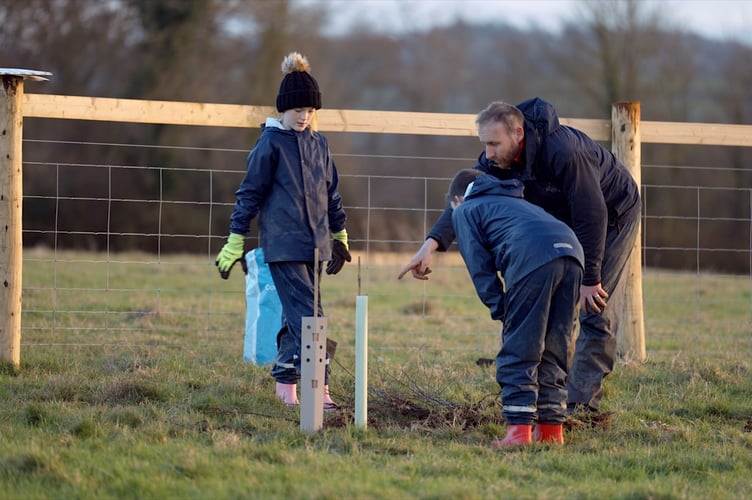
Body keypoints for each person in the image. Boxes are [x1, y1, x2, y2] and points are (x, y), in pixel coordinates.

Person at [399, 98, 641, 422]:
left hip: (610, 217)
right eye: (484, 144)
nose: (488, 153)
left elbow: (591, 213)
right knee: (557, 310)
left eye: (494, 143)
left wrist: (590, 278)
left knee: (596, 310)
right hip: (561, 223)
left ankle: (581, 408)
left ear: (518, 133)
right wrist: (432, 244)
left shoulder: (565, 153)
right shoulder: (498, 158)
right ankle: (548, 401)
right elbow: (467, 197)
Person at [215, 52, 351, 409]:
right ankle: (318, 391)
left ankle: (285, 388)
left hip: (315, 246)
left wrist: (338, 235)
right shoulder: (270, 144)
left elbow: (330, 192)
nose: (304, 117)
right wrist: (235, 239)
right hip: (283, 246)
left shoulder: (319, 144)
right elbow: (249, 193)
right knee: (312, 317)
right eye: (297, 111)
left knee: (298, 317)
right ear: (282, 110)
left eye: (309, 110)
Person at [448, 169, 583, 446]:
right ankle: (550, 431)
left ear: (458, 198)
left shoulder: (465, 209)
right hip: (572, 252)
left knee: (521, 347)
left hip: (534, 256)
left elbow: (480, 269)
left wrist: (504, 315)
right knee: (556, 345)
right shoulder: (516, 201)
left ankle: (519, 433)